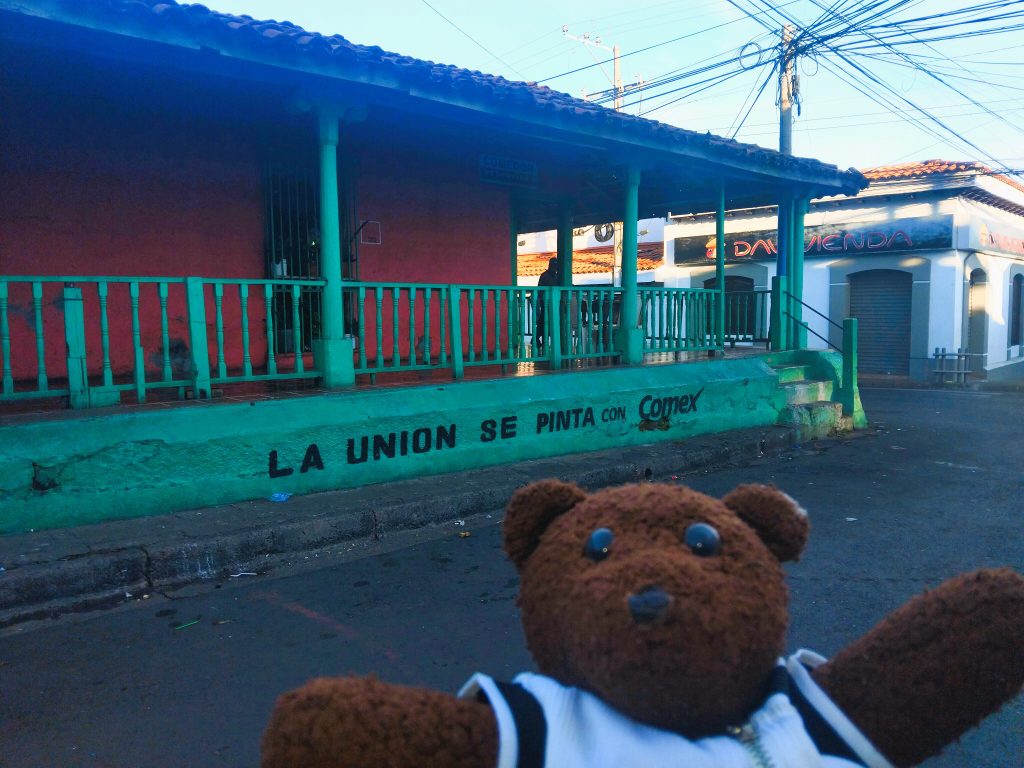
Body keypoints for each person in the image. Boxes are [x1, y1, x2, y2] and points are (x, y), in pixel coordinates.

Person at [535, 258, 559, 353]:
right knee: (544, 322)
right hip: (546, 303)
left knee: (544, 322)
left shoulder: (556, 276)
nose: (554, 268)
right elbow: (540, 291)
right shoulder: (545, 276)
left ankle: (537, 339)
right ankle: (538, 339)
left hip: (554, 303)